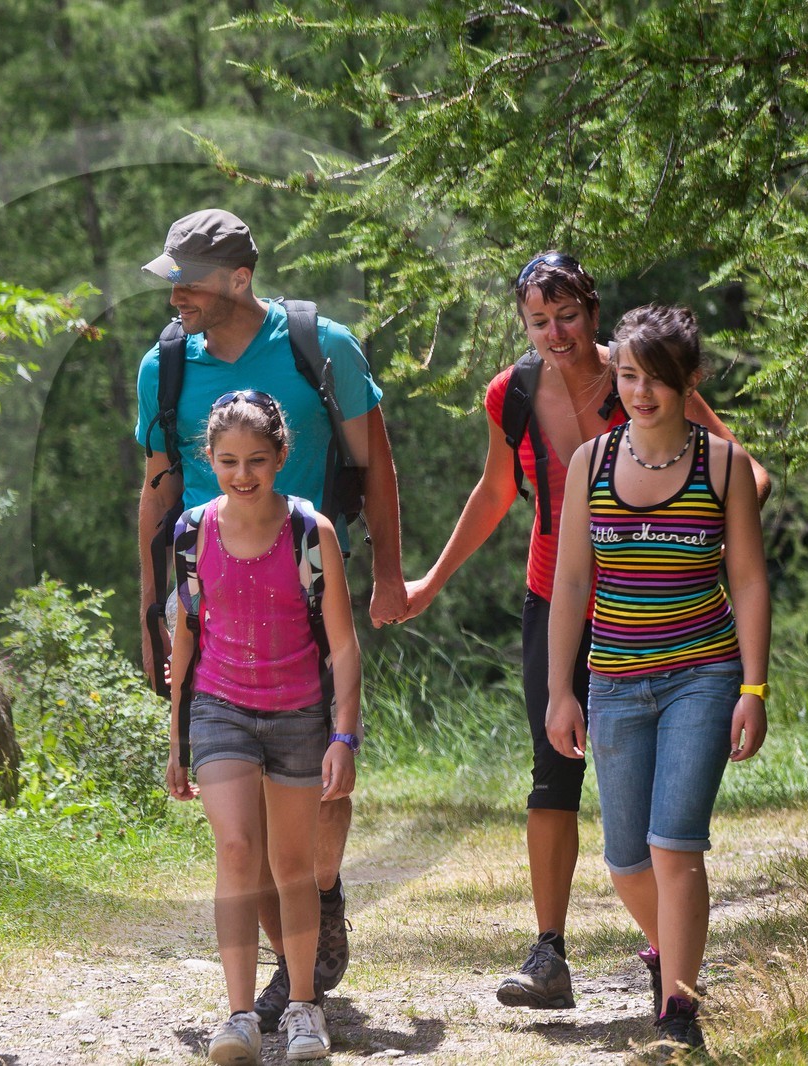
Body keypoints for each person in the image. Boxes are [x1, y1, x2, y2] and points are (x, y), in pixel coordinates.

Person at [400, 253, 771, 1009]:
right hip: (560, 594)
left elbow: (744, 473)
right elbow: (498, 488)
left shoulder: (644, 371)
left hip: (659, 606)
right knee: (553, 763)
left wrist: (692, 545)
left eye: (567, 316)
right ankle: (550, 954)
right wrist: (431, 580)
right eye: (539, 321)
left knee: (659, 834)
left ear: (593, 313)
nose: (555, 333)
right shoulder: (511, 394)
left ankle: (674, 968)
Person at [136, 208, 404, 1023]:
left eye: (189, 279)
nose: (175, 292)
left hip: (309, 594)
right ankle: (288, 975)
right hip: (213, 603)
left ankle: (319, 890)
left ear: (238, 281)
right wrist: (150, 611)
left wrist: (390, 572)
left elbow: (375, 462)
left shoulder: (320, 348)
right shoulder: (165, 367)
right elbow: (155, 489)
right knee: (241, 820)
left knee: (317, 774)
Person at [545, 304, 770, 1053]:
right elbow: (572, 583)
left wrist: (754, 688)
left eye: (659, 380)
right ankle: (672, 955)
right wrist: (560, 690)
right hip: (613, 681)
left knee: (675, 845)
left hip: (702, 677)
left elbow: (748, 579)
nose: (641, 394)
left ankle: (679, 1013)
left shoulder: (723, 464)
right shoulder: (592, 464)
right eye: (630, 376)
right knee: (624, 861)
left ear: (690, 382)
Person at [165, 391, 361, 1065]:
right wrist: (175, 744)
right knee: (237, 853)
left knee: (290, 866)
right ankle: (239, 1016)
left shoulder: (313, 533)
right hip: (220, 708)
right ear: (209, 461)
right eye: (227, 461)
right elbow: (184, 642)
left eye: (255, 459)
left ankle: (305, 1007)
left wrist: (345, 736)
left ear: (281, 456)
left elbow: (343, 645)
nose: (242, 473)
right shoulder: (191, 533)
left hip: (300, 712)